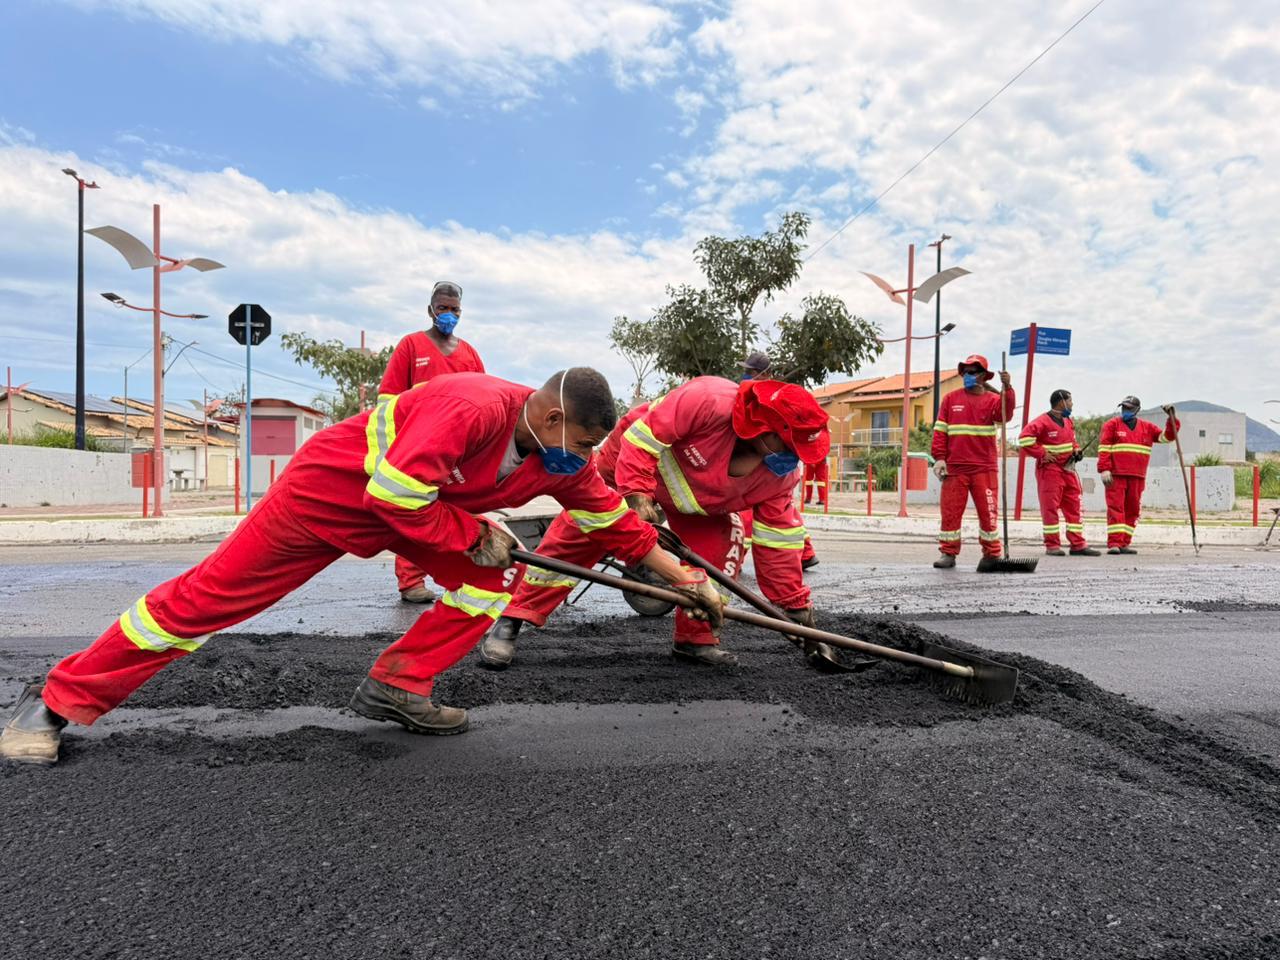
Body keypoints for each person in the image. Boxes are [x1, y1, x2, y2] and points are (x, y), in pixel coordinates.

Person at [0, 369, 723, 766]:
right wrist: (473, 529)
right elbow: (393, 493)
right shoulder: (471, 407)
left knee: (482, 588)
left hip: (418, 510)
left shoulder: (559, 459)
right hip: (330, 498)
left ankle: (396, 684)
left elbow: (612, 522)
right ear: (551, 416)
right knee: (204, 603)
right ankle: (57, 701)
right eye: (580, 446)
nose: (580, 462)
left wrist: (683, 580)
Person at [479, 376, 833, 669]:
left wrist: (795, 608)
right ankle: (514, 618)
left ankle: (695, 639)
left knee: (723, 549)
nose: (793, 458)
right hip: (631, 469)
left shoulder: (781, 477)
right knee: (583, 531)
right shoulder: (706, 401)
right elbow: (641, 443)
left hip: (699, 505)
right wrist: (636, 495)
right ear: (762, 428)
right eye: (788, 446)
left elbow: (780, 543)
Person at [378, 280, 485, 605]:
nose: (448, 315)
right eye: (443, 308)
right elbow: (388, 398)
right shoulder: (411, 346)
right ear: (430, 310)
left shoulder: (469, 354)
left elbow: (483, 396)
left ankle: (461, 579)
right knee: (415, 509)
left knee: (458, 516)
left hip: (459, 451)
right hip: (419, 445)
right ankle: (411, 582)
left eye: (454, 310)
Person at [930, 354, 1016, 570]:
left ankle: (991, 554)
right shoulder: (950, 399)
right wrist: (939, 459)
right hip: (955, 469)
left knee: (988, 513)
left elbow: (1006, 415)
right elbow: (940, 432)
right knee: (950, 513)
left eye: (972, 372)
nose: (967, 375)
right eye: (965, 371)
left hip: (983, 468)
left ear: (983, 376)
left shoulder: (994, 400)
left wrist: (1008, 389)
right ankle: (948, 553)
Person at [1018, 389, 1100, 557]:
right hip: (1050, 471)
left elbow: (1073, 441)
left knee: (1075, 507)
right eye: (1070, 401)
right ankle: (1052, 545)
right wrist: (1042, 453)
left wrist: (1077, 451)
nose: (1072, 404)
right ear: (1061, 402)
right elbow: (1024, 439)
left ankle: (1078, 544)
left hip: (1068, 470)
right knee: (1050, 508)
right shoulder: (1042, 421)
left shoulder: (1068, 421)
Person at [1097, 397, 1179, 554]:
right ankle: (1114, 543)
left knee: (1133, 510)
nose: (1125, 411)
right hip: (1116, 475)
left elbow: (1167, 437)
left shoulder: (1147, 428)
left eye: (1128, 408)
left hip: (1137, 476)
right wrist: (1104, 469)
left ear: (1137, 410)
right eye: (1123, 408)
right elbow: (1104, 449)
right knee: (1116, 509)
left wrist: (1172, 418)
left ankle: (1124, 543)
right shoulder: (1111, 425)